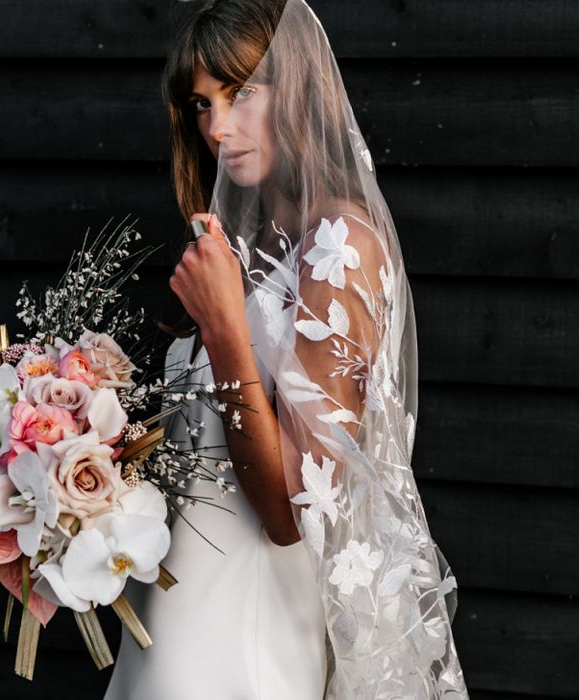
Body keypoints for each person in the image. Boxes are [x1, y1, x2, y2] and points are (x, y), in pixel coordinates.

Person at [104, 1, 468, 697]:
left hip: (247, 628)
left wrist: (221, 328)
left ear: (294, 87)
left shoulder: (342, 244)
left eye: (241, 94)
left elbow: (288, 510)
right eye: (201, 104)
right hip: (170, 612)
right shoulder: (250, 251)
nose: (217, 128)